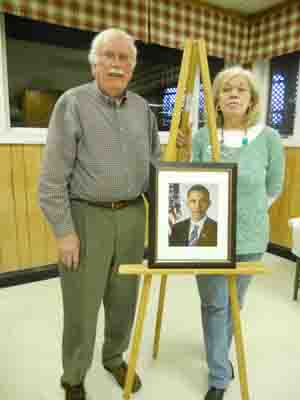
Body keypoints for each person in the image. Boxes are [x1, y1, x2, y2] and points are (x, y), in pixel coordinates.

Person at [39, 28, 160, 400]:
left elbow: (154, 166)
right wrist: (64, 231)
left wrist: (169, 219)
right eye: (109, 55)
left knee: (124, 298)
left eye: (125, 58)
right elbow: (51, 178)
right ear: (94, 62)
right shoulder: (72, 104)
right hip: (86, 217)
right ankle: (73, 375)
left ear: (133, 66)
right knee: (82, 303)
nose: (117, 64)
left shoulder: (142, 109)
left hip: (132, 216)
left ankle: (114, 357)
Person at [177, 66, 284, 400]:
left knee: (234, 304)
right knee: (215, 304)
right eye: (227, 89)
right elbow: (190, 184)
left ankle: (217, 351)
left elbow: (274, 186)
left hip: (250, 236)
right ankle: (219, 375)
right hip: (207, 238)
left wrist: (246, 216)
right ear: (217, 100)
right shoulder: (201, 137)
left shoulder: (269, 137)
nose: (234, 94)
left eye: (242, 89)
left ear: (252, 100)